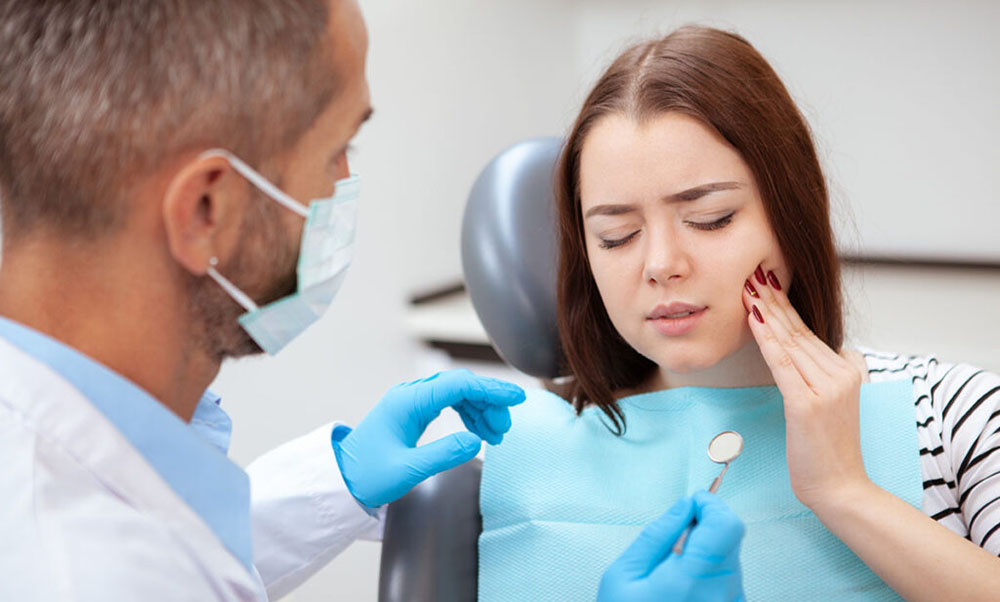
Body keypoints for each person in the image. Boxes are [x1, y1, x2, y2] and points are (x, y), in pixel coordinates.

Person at [0, 1, 529, 600]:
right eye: (338, 148)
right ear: (208, 211)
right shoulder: (84, 572)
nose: (345, 184)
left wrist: (341, 480)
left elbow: (187, 549)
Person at [481, 25, 1000, 602]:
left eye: (712, 218)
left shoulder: (957, 417)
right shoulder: (514, 454)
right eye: (616, 235)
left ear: (790, 215)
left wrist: (846, 491)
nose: (661, 264)